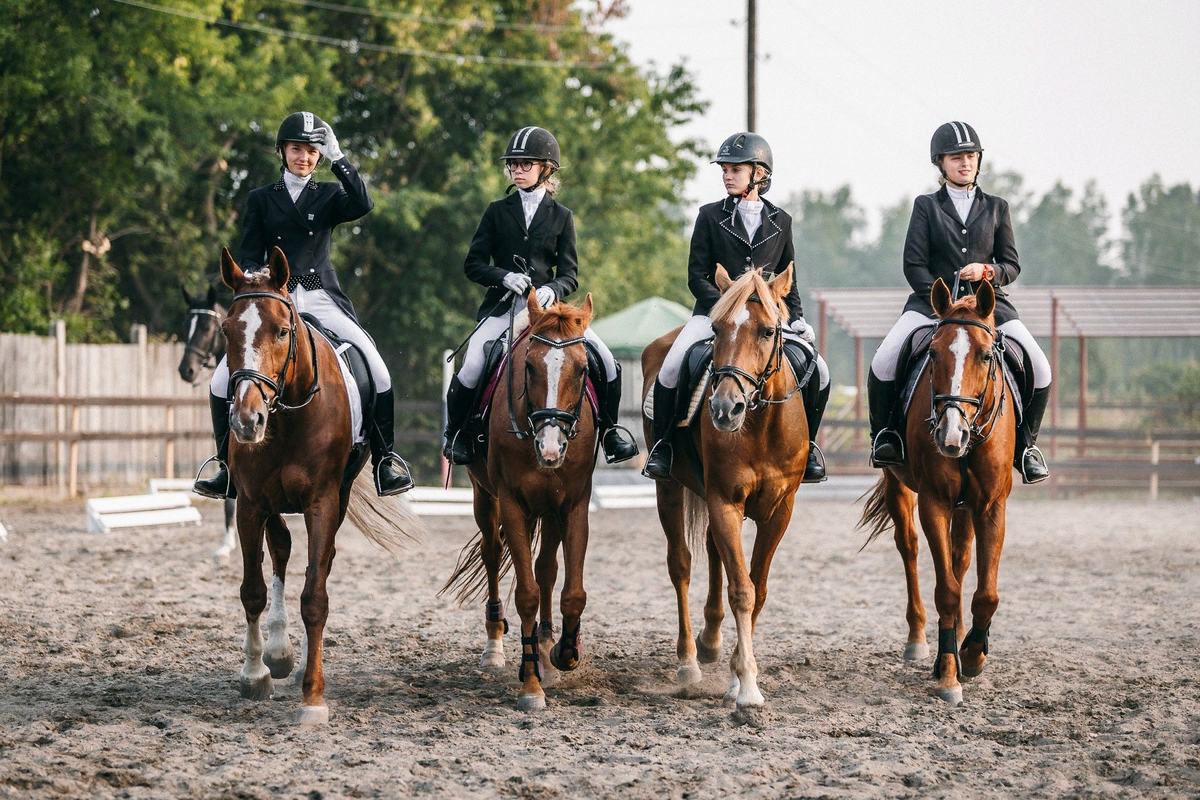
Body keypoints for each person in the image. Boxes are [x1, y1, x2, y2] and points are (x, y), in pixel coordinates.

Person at [194, 111, 414, 498]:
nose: (305, 158)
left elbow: (363, 203)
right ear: (283, 151)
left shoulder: (328, 193)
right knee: (217, 380)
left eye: (312, 152)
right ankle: (225, 467)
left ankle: (384, 460)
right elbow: (247, 252)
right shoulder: (261, 198)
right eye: (298, 149)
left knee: (377, 368)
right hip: (271, 296)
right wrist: (255, 273)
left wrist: (339, 157)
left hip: (319, 294)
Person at [867, 121, 1051, 483]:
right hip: (933, 305)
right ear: (941, 163)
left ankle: (1026, 446)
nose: (965, 163)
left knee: (1041, 368)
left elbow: (1011, 265)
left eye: (970, 156)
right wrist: (944, 300)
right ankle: (886, 436)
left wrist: (987, 271)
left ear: (978, 161)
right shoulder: (926, 207)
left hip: (988, 307)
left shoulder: (997, 207)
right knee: (884, 360)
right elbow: (913, 264)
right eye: (956, 157)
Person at [442, 126, 639, 466]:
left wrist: (551, 289)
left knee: (607, 362)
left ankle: (609, 432)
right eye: (513, 165)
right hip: (504, 309)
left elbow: (570, 274)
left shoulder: (562, 216)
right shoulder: (496, 211)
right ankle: (458, 434)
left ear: (546, 169)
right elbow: (473, 264)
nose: (517, 170)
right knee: (473, 363)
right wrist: (503, 277)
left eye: (525, 164)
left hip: (550, 313)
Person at [641, 132, 830, 483]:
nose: (727, 175)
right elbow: (697, 277)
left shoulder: (782, 221)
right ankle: (664, 447)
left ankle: (811, 447)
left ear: (759, 174)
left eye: (736, 169)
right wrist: (728, 308)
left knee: (819, 369)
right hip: (715, 315)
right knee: (670, 368)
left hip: (766, 317)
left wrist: (799, 318)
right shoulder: (710, 216)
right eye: (724, 169)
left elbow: (790, 278)